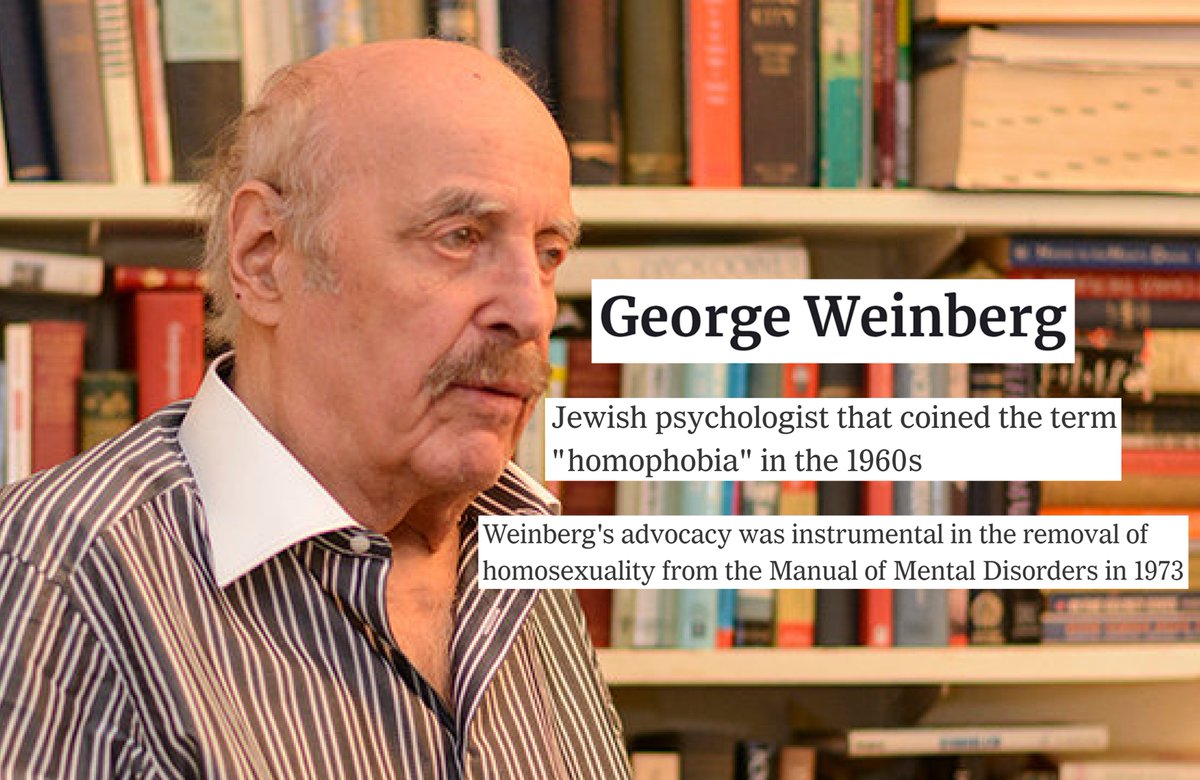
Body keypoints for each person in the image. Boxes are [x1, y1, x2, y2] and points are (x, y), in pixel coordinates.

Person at [0, 40, 629, 778]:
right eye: (459, 238)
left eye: (549, 253)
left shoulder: (526, 561)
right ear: (265, 254)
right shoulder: (57, 580)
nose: (531, 311)